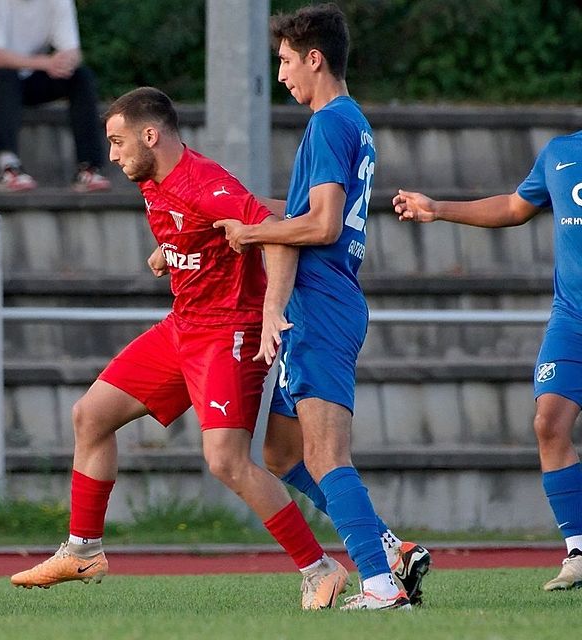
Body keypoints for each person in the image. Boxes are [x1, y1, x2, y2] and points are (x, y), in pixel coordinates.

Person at [10, 87, 351, 610]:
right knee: (91, 415)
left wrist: (270, 313)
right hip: (183, 327)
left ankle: (319, 568)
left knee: (226, 462)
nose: (114, 154)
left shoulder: (205, 182)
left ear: (151, 135)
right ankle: (83, 550)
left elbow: (277, 232)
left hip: (226, 332)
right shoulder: (154, 180)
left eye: (119, 142)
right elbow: (198, 225)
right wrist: (172, 251)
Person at [213, 4, 428, 610]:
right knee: (283, 454)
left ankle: (382, 586)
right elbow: (306, 207)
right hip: (325, 301)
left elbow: (324, 224)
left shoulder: (330, 123)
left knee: (328, 453)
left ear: (314, 58)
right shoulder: (347, 121)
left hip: (322, 302)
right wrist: (244, 211)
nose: (281, 76)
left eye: (285, 62)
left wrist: (254, 235)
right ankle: (387, 548)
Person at [393, 131, 582, 591]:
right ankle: (579, 551)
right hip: (572, 319)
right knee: (548, 422)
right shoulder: (561, 152)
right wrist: (438, 208)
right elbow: (515, 207)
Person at [0, 0, 111, 192]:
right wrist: (46, 63)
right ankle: (8, 165)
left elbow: (72, 50)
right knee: (6, 75)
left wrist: (65, 62)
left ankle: (89, 167)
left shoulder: (59, 2)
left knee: (80, 76)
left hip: (28, 78)